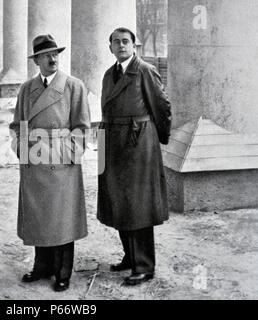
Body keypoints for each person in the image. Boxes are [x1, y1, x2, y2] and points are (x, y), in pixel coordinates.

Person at [9, 34, 91, 292]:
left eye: (56, 53)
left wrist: (67, 154)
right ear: (37, 60)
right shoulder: (26, 88)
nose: (53, 58)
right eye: (46, 55)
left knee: (62, 218)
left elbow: (82, 127)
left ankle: (62, 271)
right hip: (34, 160)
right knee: (38, 216)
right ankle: (41, 266)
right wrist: (22, 150)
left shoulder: (74, 86)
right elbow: (17, 125)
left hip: (61, 162)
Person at [97, 27, 172, 286]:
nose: (121, 46)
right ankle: (130, 257)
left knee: (138, 205)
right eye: (116, 42)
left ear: (134, 46)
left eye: (125, 41)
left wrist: (154, 140)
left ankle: (144, 265)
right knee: (118, 201)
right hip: (113, 144)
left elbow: (162, 107)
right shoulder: (109, 74)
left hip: (138, 144)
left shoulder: (145, 70)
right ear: (110, 48)